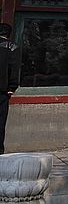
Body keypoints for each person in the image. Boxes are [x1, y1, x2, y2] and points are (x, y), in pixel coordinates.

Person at [0, 23, 22, 155]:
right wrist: (12, 87)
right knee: (0, 122)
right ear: (9, 34)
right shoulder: (12, 47)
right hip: (2, 91)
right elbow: (14, 69)